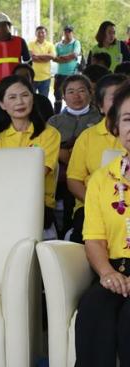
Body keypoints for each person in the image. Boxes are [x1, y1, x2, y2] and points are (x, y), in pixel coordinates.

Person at [69, 80, 130, 367]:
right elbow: (93, 238)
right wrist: (106, 273)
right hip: (114, 269)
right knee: (94, 309)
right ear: (116, 127)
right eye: (128, 119)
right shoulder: (102, 180)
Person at [0, 75, 60, 230]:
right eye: (12, 97)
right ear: (2, 104)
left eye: (25, 95)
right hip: (4, 202)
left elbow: (40, 172)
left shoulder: (50, 134)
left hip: (38, 204)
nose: (20, 102)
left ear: (33, 98)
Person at [66, 73, 127, 243]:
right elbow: (74, 180)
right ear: (100, 106)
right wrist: (97, 203)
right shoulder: (88, 137)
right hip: (90, 205)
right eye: (115, 99)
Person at [48, 75, 101, 235]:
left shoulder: (100, 120)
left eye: (81, 91)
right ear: (63, 96)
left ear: (90, 93)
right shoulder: (54, 121)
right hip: (59, 176)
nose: (76, 96)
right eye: (70, 92)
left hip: (88, 177)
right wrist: (60, 152)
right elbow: (44, 146)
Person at [0, 12, 31, 86]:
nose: (1, 28)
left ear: (9, 26)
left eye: (4, 25)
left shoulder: (20, 41)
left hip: (16, 82)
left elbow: (27, 62)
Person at [53, 25, 82, 114]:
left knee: (71, 95)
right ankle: (57, 115)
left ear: (72, 33)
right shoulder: (58, 45)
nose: (67, 33)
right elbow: (54, 58)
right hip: (60, 74)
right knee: (57, 95)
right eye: (66, 31)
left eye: (69, 31)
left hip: (72, 74)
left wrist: (62, 58)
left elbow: (75, 54)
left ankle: (72, 113)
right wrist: (67, 58)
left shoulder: (76, 43)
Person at [28, 26, 56, 98]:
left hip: (46, 78)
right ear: (35, 34)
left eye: (43, 32)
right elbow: (33, 58)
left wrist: (37, 55)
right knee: (32, 99)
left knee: (44, 100)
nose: (41, 34)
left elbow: (52, 56)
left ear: (46, 34)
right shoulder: (31, 44)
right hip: (33, 77)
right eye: (39, 32)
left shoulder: (50, 45)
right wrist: (46, 58)